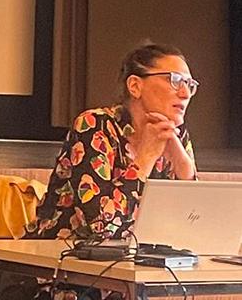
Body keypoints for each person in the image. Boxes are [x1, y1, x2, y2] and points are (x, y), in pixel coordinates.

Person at [27, 43, 197, 241]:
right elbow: (99, 228)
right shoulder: (95, 125)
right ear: (135, 86)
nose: (185, 94)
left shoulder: (176, 135)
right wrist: (146, 157)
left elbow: (194, 228)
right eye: (175, 80)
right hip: (59, 254)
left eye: (190, 85)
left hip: (135, 256)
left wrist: (184, 169)